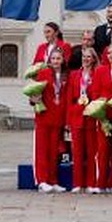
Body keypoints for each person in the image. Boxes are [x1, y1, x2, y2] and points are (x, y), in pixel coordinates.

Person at [31, 46, 67, 192]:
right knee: (42, 149)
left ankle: (53, 180)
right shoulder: (44, 74)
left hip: (58, 117)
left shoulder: (66, 76)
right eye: (53, 59)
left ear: (63, 60)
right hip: (44, 116)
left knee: (54, 151)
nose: (56, 61)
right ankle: (42, 180)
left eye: (58, 58)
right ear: (49, 60)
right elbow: (34, 94)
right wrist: (34, 99)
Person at [65, 46, 99, 194]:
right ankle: (78, 183)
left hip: (91, 116)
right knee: (77, 152)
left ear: (93, 59)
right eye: (84, 56)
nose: (86, 59)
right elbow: (69, 98)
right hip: (77, 116)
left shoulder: (97, 74)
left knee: (91, 152)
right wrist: (68, 119)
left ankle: (91, 182)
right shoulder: (74, 75)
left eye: (89, 57)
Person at [91, 44, 112, 193]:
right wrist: (100, 113)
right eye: (109, 53)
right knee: (103, 150)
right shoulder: (100, 71)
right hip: (104, 115)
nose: (111, 55)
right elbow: (95, 92)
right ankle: (101, 183)